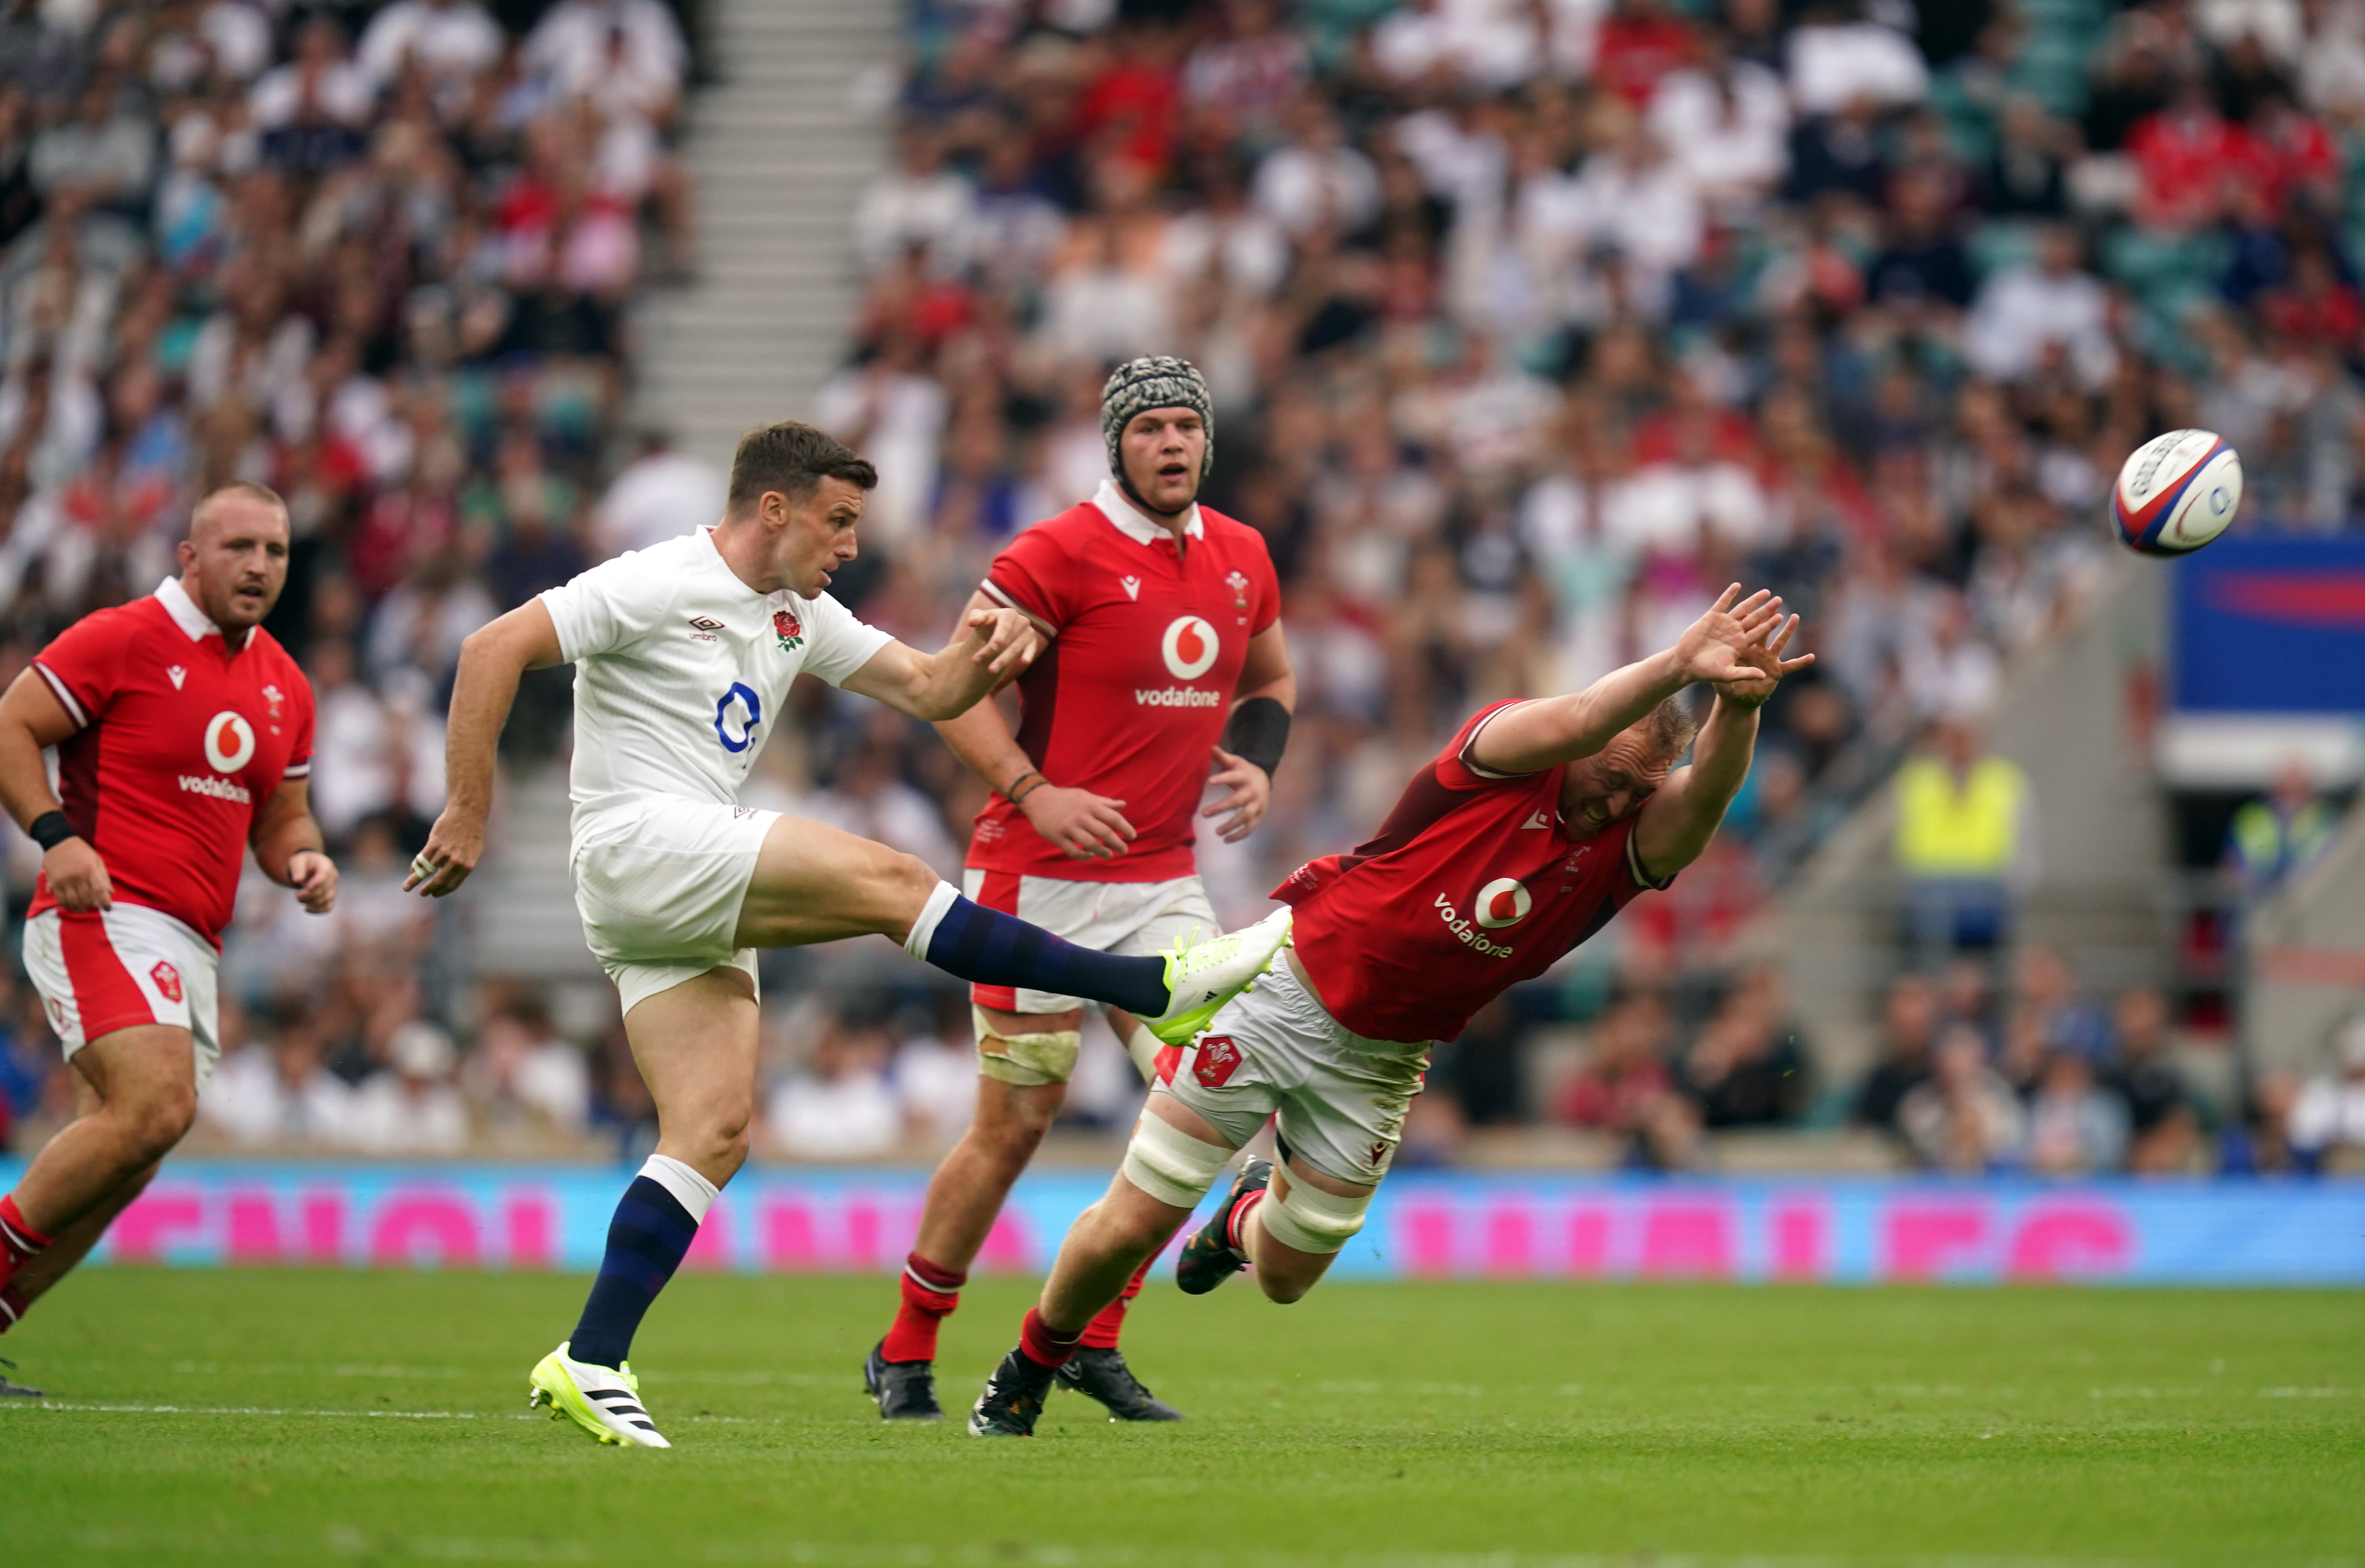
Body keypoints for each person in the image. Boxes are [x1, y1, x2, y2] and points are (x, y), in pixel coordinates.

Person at [405, 420, 1290, 1449]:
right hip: (641, 843)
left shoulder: (797, 614)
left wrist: (984, 653)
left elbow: (926, 690)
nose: (851, 545)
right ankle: (1142, 984)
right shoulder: (656, 580)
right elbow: (492, 646)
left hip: (675, 892)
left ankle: (591, 1358)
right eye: (838, 521)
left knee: (715, 1133)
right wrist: (469, 809)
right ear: (773, 509)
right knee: (893, 880)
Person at [963, 583, 1812, 1436]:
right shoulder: (1502, 753)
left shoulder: (1623, 846)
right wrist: (1675, 665)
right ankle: (1028, 1366)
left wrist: (1737, 707)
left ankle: (1240, 1219)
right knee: (1131, 1222)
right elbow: (1587, 714)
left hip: (1383, 1061)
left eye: (1640, 790)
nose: (1618, 802)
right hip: (1281, 996)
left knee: (1287, 1278)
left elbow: (1700, 802)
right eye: (1612, 778)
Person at [864, 356, 1294, 1425]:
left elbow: (1272, 674)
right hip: (1034, 882)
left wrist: (1255, 756)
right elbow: (945, 689)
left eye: (1185, 425)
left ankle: (1090, 1340)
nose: (1170, 443)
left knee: (1211, 1096)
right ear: (1117, 445)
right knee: (1017, 1124)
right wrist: (1035, 790)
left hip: (1159, 885)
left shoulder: (1241, 557)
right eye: (1147, 427)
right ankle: (905, 1344)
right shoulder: (1056, 553)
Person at [0, 484, 336, 1397]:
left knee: (129, 1151)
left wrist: (305, 861)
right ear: (191, 556)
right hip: (104, 908)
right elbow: (12, 724)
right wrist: (54, 837)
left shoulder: (286, 686)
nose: (259, 567)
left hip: (194, 941)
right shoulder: (123, 636)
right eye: (238, 547)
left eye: (275, 551)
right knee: (155, 1109)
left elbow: (283, 819)